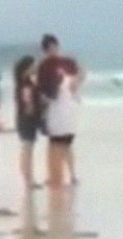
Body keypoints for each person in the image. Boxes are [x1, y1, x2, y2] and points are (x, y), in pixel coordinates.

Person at [37, 34, 82, 188]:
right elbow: (41, 88)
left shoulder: (68, 61)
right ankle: (54, 175)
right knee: (55, 142)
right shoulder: (43, 66)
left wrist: (77, 82)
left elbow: (80, 72)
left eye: (54, 47)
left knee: (67, 142)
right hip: (53, 107)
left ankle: (72, 175)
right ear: (45, 50)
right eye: (49, 48)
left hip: (69, 106)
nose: (53, 51)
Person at [14, 56, 42, 189]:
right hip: (27, 120)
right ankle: (28, 180)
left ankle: (28, 179)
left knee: (27, 149)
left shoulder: (23, 83)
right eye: (32, 65)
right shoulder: (26, 85)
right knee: (28, 150)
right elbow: (28, 104)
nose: (35, 67)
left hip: (23, 119)